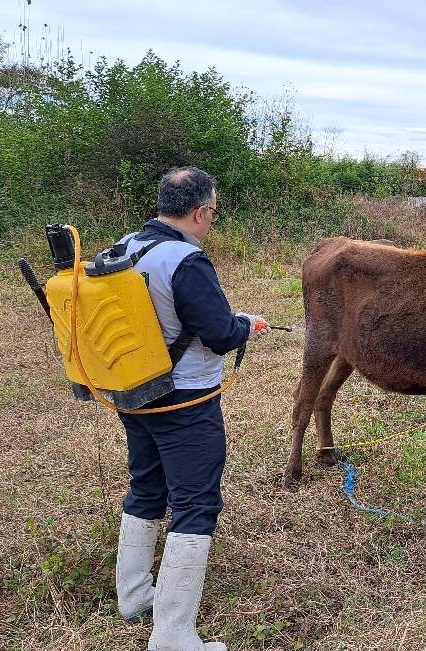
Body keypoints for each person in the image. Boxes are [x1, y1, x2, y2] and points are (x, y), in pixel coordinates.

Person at [113, 166, 267, 650]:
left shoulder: (121, 248)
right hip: (185, 400)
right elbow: (220, 334)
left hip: (133, 392)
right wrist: (246, 326)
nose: (211, 220)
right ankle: (174, 635)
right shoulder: (186, 260)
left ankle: (134, 598)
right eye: (214, 213)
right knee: (196, 502)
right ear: (200, 211)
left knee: (146, 486)